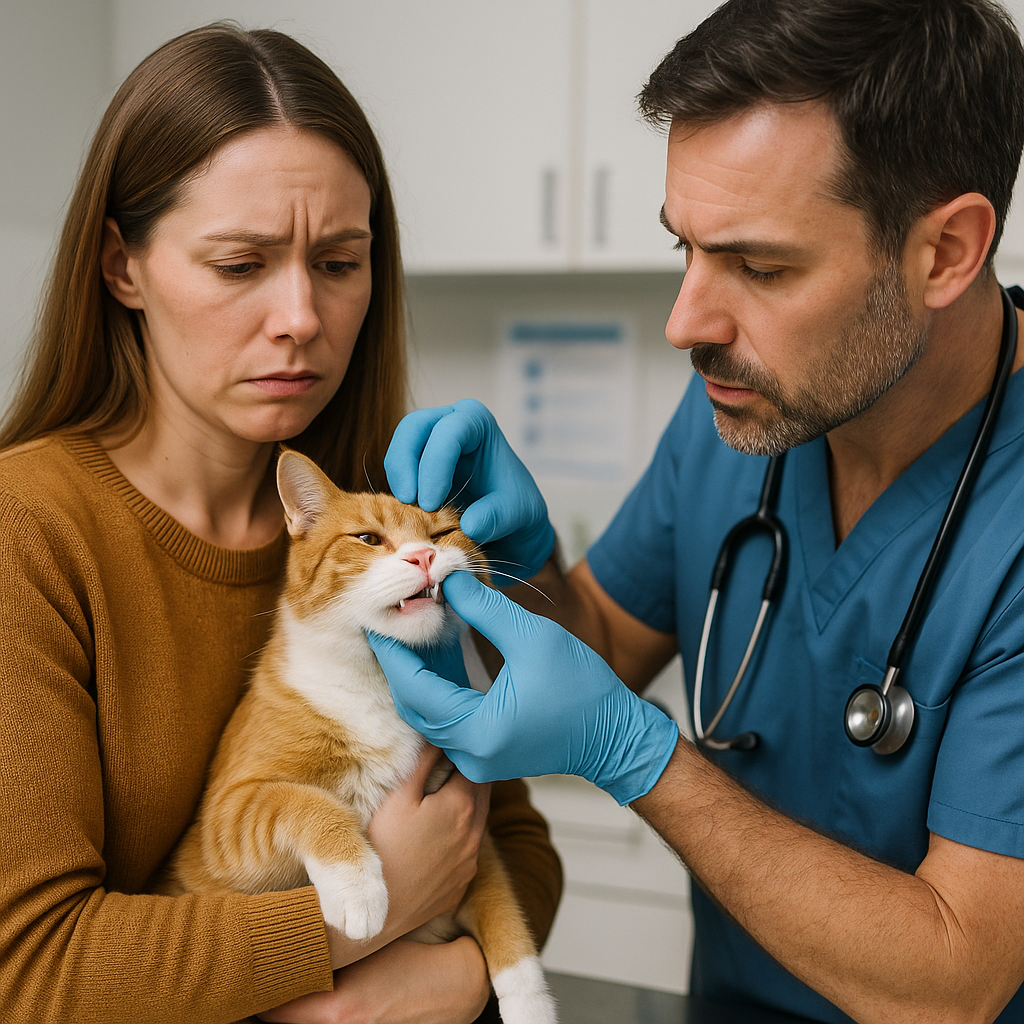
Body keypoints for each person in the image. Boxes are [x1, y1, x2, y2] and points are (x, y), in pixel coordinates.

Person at [368, 0, 1024, 1020]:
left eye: (760, 266)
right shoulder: (747, 398)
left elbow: (955, 981)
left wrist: (639, 754)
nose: (687, 322)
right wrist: (521, 565)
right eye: (685, 248)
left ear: (944, 252)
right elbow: (596, 651)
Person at [0, 23, 562, 1024]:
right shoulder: (28, 530)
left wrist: (455, 978)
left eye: (339, 263)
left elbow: (510, 841)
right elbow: (33, 971)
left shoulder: (383, 532)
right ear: (123, 267)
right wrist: (360, 928)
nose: (300, 315)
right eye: (239, 263)